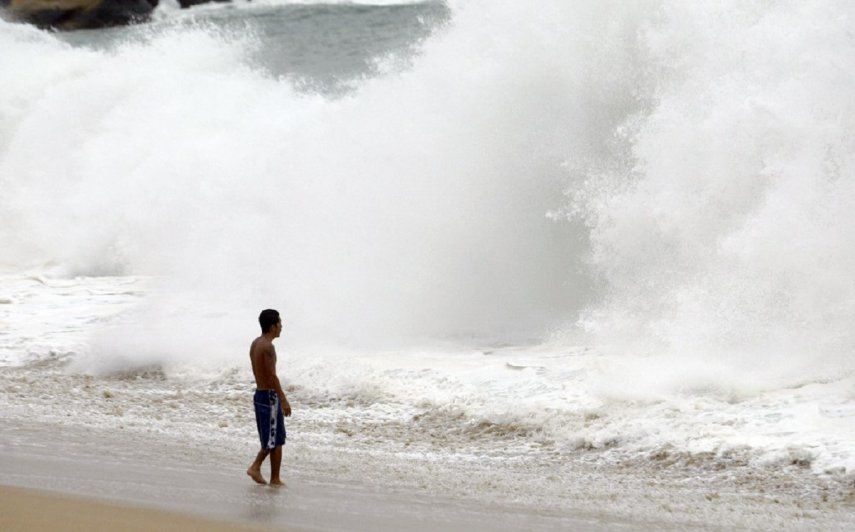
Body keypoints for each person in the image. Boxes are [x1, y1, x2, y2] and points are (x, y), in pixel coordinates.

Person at [246, 309, 292, 486]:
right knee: (274, 438)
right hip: (269, 396)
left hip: (259, 393)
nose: (281, 326)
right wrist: (284, 399)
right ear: (272, 326)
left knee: (276, 437)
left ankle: (275, 478)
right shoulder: (268, 347)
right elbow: (272, 376)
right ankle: (256, 466)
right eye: (279, 323)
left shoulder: (255, 343)